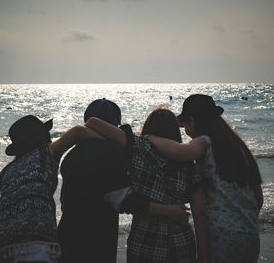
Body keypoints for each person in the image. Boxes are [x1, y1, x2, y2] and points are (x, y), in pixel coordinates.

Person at [58, 99, 191, 263]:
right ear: (115, 125)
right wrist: (170, 211)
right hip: (100, 239)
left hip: (70, 233)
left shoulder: (72, 156)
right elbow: (124, 200)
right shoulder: (113, 154)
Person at [145, 94, 263, 263]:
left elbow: (179, 151)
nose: (185, 131)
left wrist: (148, 138)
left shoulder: (204, 142)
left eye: (184, 125)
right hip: (250, 235)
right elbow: (258, 198)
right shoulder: (239, 148)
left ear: (192, 121)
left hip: (222, 237)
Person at [85, 108, 205, 263]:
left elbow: (92, 122)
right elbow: (199, 212)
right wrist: (204, 256)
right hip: (181, 241)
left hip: (145, 239)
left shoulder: (138, 147)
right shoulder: (188, 161)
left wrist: (146, 137)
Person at [0, 115, 102, 263]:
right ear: (42, 136)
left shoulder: (7, 170)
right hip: (33, 233)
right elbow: (78, 132)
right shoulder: (44, 153)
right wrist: (112, 145)